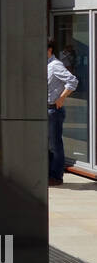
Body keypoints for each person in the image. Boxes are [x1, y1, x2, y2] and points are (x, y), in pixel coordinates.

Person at [48, 37, 78, 186]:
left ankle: (56, 177)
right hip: (45, 110)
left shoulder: (55, 65)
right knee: (48, 144)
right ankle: (49, 173)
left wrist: (61, 97)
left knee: (55, 145)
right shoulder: (46, 65)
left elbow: (73, 81)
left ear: (49, 49)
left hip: (54, 110)